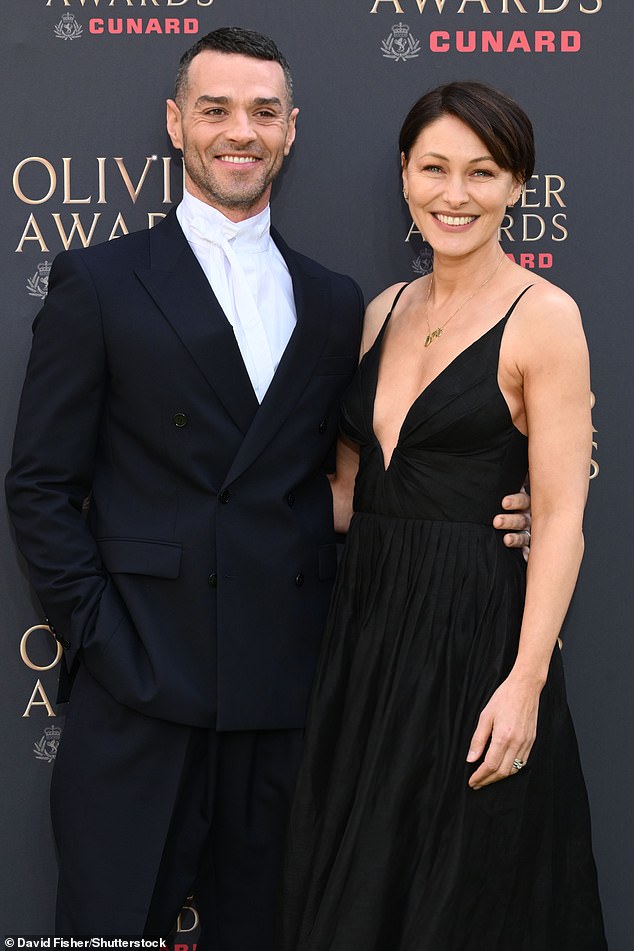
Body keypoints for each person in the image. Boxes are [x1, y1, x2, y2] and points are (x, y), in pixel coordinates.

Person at [5, 31, 530, 947]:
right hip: (140, 703)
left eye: (262, 112)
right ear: (176, 125)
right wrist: (104, 643)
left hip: (288, 704)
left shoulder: (336, 302)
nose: (238, 131)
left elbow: (348, 481)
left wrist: (484, 510)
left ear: (292, 131)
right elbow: (41, 487)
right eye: (215, 110)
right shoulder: (99, 281)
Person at [280, 82, 607, 951]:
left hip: (474, 642)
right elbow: (352, 493)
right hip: (366, 635)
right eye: (434, 168)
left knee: (459, 899)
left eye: (483, 171)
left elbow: (564, 509)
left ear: (518, 186)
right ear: (404, 176)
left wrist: (526, 680)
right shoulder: (381, 311)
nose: (454, 194)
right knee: (353, 891)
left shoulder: (545, 318)